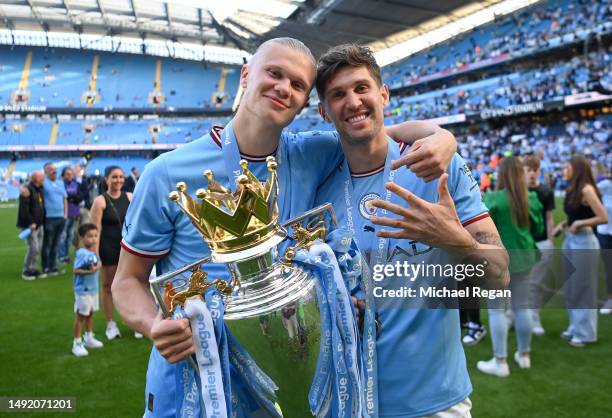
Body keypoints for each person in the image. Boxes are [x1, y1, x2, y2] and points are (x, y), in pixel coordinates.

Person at [112, 37, 458, 417]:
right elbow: (127, 281)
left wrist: (442, 137)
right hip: (195, 382)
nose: (283, 88)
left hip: (285, 381)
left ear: (305, 104)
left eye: (297, 85)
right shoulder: (166, 173)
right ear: (246, 74)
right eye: (274, 73)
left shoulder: (313, 153)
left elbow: (374, 132)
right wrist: (151, 324)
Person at [313, 43, 508, 418]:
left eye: (361, 88)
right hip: (345, 401)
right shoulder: (316, 185)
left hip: (433, 402)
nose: (352, 102)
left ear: (383, 94)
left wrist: (457, 241)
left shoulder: (437, 166)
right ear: (324, 112)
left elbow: (500, 275)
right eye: (338, 95)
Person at [477, 156, 543, 377]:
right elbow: (538, 228)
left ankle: (501, 361)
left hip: (499, 259)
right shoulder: (531, 198)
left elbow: (482, 230)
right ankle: (524, 355)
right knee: (521, 307)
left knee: (497, 311)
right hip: (524, 256)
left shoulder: (494, 198)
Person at [554, 155, 608, 347]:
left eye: (566, 166)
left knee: (583, 288)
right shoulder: (573, 190)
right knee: (571, 287)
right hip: (571, 240)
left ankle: (585, 333)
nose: (563, 170)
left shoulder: (587, 189)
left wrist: (580, 223)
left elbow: (603, 217)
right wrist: (564, 225)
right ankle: (575, 326)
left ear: (576, 169)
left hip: (585, 242)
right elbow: (575, 214)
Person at [90, 166, 132, 340]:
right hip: (108, 248)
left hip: (128, 249)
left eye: (121, 176)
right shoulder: (100, 201)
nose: (118, 180)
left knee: (130, 286)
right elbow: (95, 231)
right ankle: (110, 324)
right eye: (114, 177)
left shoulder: (130, 197)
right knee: (108, 287)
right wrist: (95, 255)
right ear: (106, 179)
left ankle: (132, 321)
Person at [524, 155, 555, 335]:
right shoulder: (518, 192)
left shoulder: (545, 192)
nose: (531, 174)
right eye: (527, 170)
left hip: (541, 241)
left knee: (536, 283)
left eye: (533, 170)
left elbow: (549, 217)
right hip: (523, 243)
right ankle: (515, 315)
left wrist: (550, 240)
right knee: (518, 282)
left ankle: (534, 317)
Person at [72, 223, 104, 357]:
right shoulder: (81, 253)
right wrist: (90, 271)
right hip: (83, 290)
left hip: (93, 289)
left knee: (90, 313)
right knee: (81, 316)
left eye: (95, 236)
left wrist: (98, 266)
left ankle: (89, 337)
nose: (93, 239)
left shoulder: (92, 252)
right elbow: (76, 270)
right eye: (89, 236)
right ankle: (77, 343)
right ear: (82, 238)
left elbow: (98, 263)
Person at [17, 171, 46, 280]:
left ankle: (33, 268)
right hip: (31, 225)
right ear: (35, 179)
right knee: (33, 248)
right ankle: (27, 270)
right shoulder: (28, 190)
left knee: (38, 247)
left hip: (39, 224)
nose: (43, 178)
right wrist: (30, 222)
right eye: (41, 177)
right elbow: (24, 209)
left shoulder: (39, 189)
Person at [41, 162, 67, 276]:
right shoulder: (43, 183)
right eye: (50, 169)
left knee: (56, 244)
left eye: (54, 169)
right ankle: (45, 267)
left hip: (61, 217)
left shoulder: (60, 183)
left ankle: (52, 266)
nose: (53, 171)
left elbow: (65, 198)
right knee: (47, 244)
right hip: (49, 217)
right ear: (45, 171)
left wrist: (65, 214)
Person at [595, 166, 612, 314]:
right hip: (605, 232)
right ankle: (610, 298)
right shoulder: (605, 185)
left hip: (605, 232)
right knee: (609, 267)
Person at [58, 166, 83, 264]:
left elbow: (80, 197)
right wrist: (73, 198)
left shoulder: (76, 184)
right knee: (62, 236)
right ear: (63, 175)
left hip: (74, 213)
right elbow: (63, 196)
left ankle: (66, 255)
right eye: (67, 174)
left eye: (71, 174)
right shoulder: (60, 185)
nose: (70, 176)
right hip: (64, 214)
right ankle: (61, 256)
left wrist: (71, 198)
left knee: (70, 236)